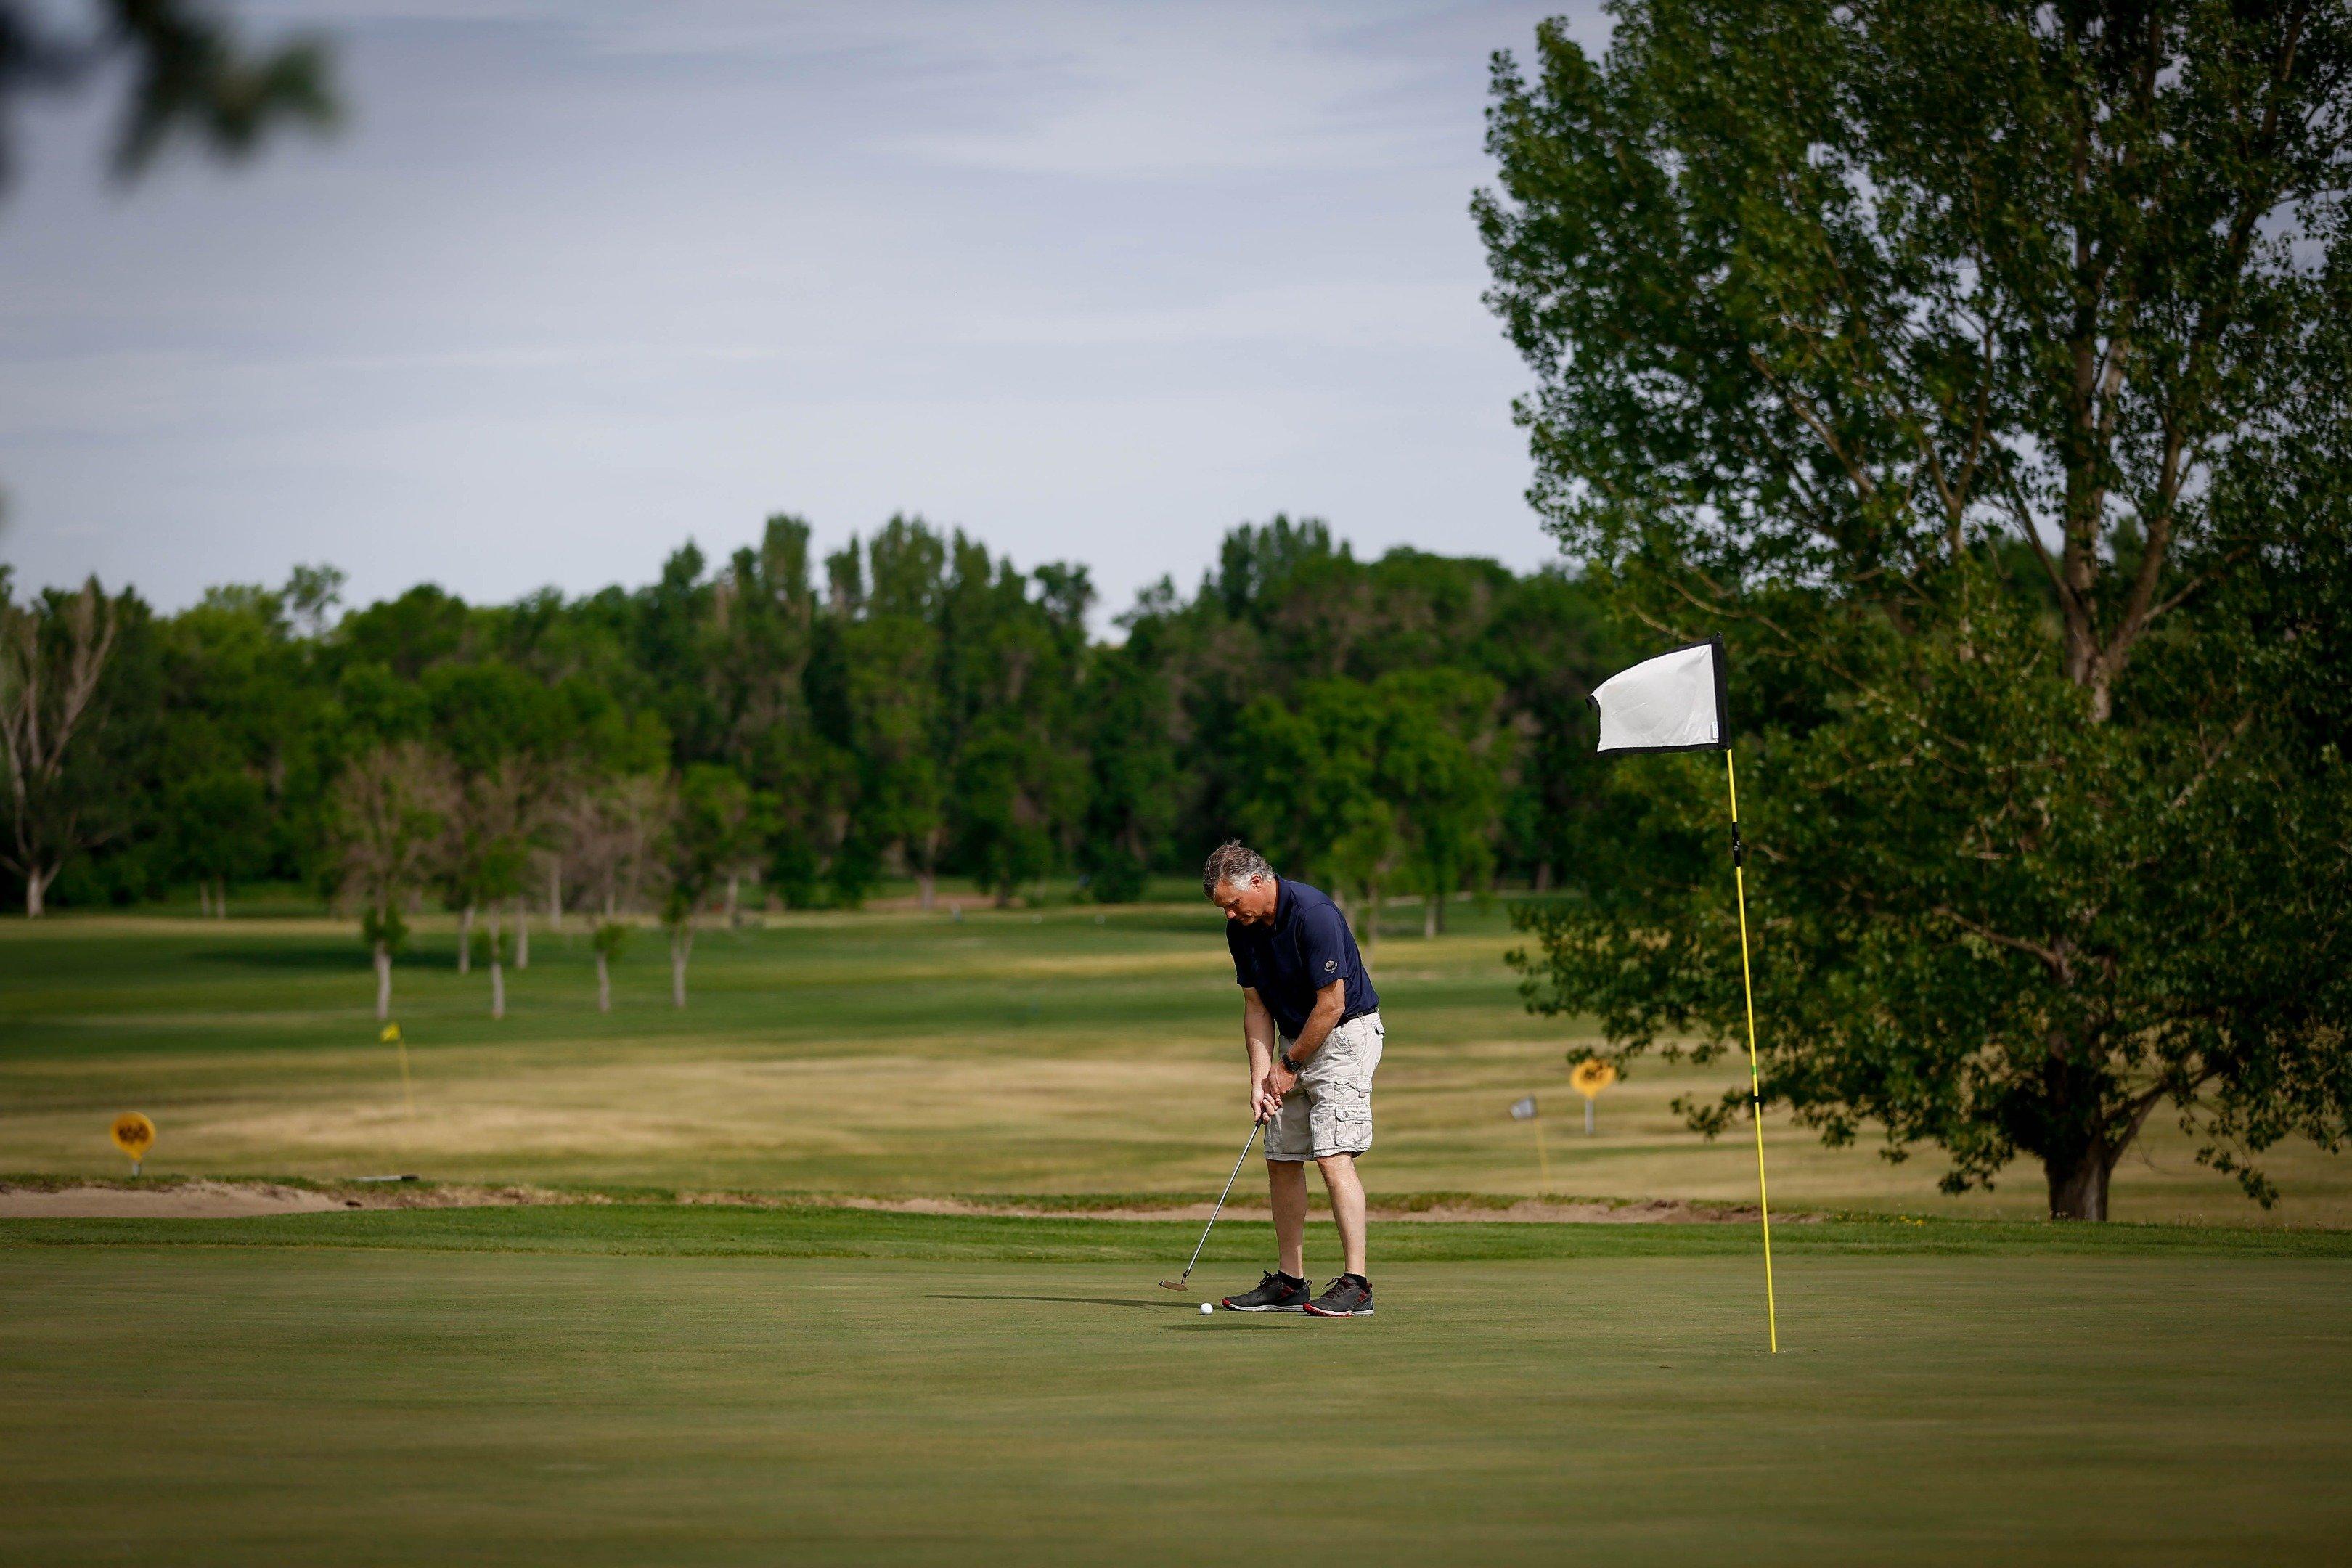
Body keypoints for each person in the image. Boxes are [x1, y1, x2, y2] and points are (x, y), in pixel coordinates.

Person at [1201, 841, 1383, 1317]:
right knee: (1281, 1158)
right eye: (1222, 908)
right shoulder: (1242, 929)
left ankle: (1357, 1285)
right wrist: (1261, 1078)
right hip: (1293, 1042)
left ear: (1259, 882)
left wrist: (1288, 1068)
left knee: (1332, 1156)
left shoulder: (1314, 914)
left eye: (1232, 903)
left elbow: (1332, 1005)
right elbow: (1256, 1007)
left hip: (1345, 1037)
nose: (1229, 915)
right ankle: (1290, 1282)